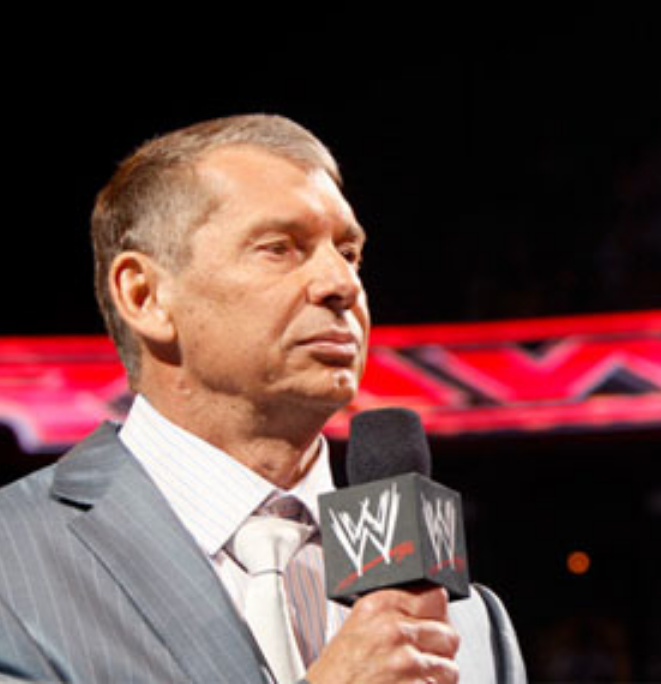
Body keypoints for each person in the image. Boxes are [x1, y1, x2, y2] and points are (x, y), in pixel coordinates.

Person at [0, 114, 527, 683]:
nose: (342, 284)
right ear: (145, 295)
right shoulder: (14, 557)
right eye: (280, 248)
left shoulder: (467, 623)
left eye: (349, 253)